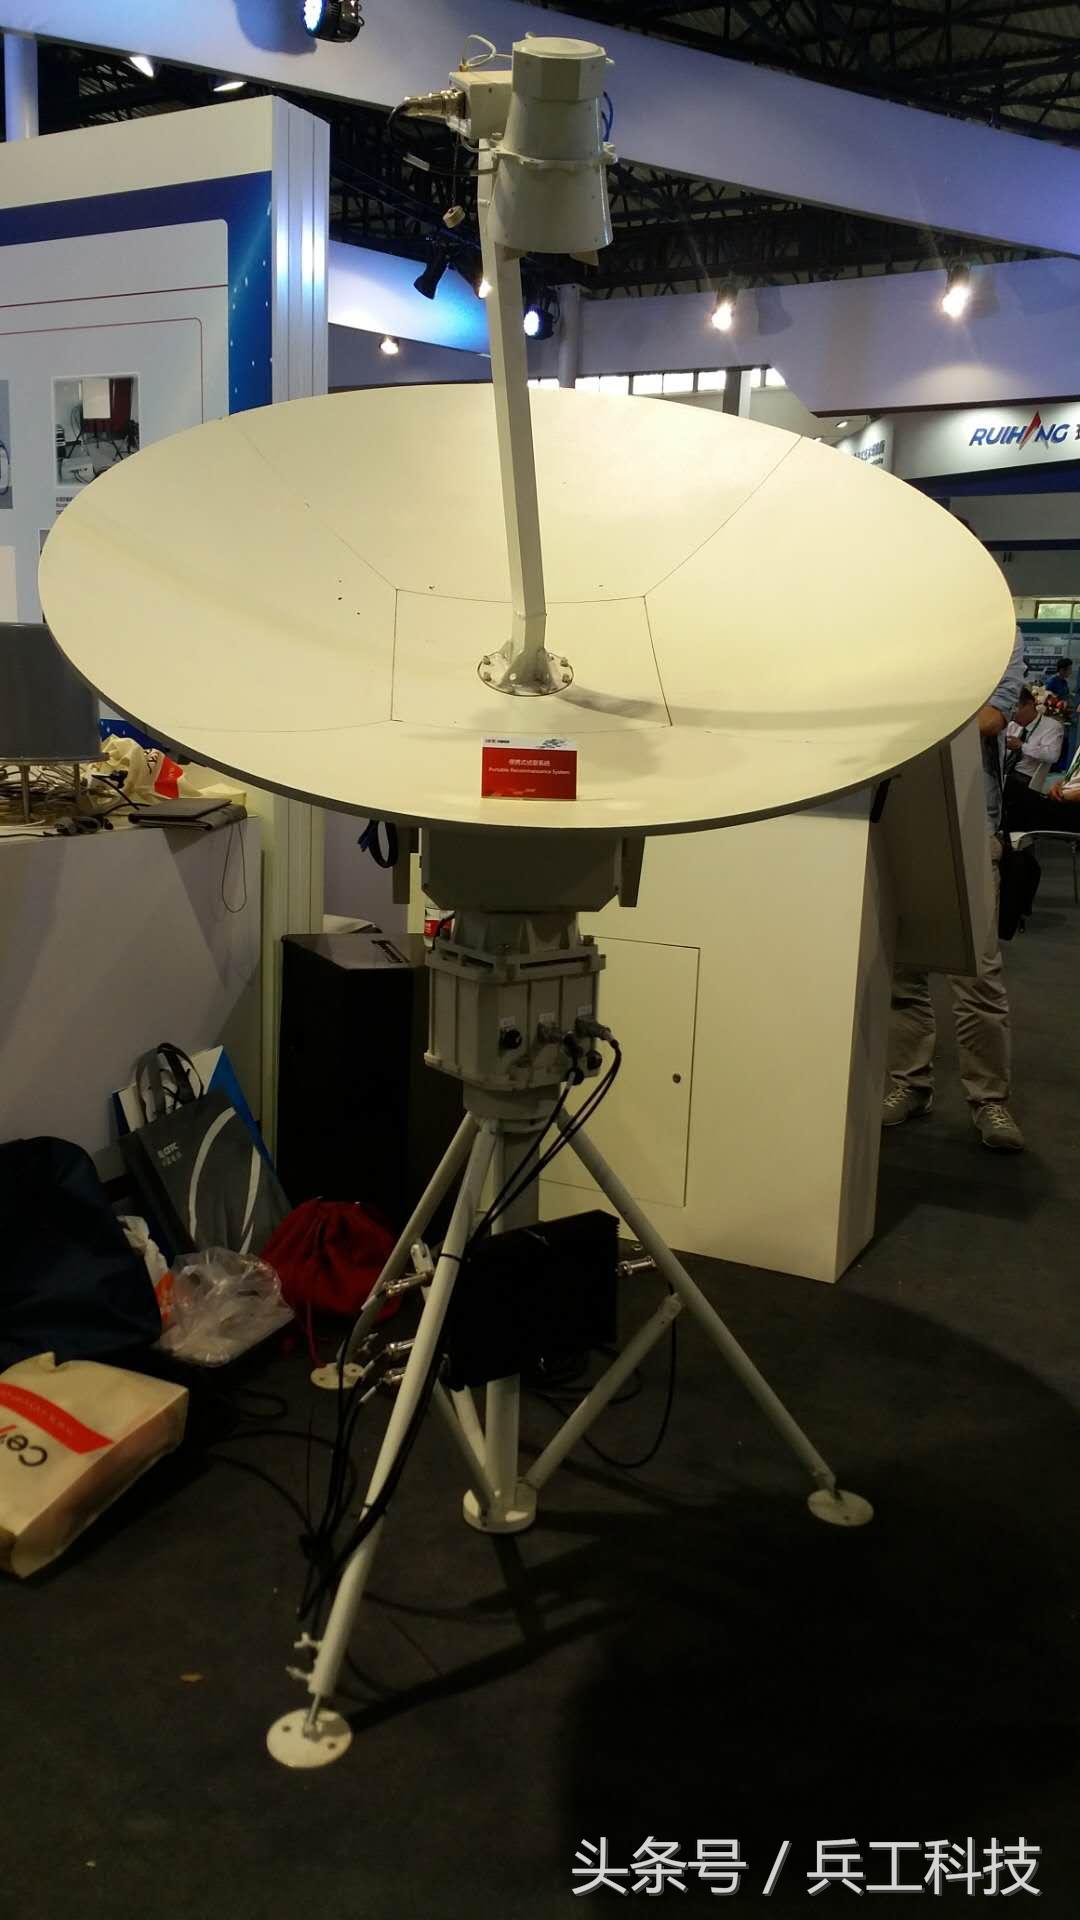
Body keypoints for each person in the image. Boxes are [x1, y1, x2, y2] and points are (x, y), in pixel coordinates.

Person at [883, 627, 1026, 1152]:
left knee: (978, 972)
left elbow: (992, 717)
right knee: (903, 969)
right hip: (900, 812)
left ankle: (989, 1099)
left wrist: (913, 719)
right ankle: (909, 1083)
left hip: (969, 819)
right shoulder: (904, 627)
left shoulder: (996, 632)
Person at [1003, 686, 1068, 826]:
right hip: (1006, 774)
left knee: (1009, 790)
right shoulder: (1012, 725)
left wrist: (1022, 746)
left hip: (1026, 779)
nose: (1013, 714)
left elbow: (1052, 755)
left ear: (1030, 704)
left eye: (1016, 709)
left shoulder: (1052, 726)